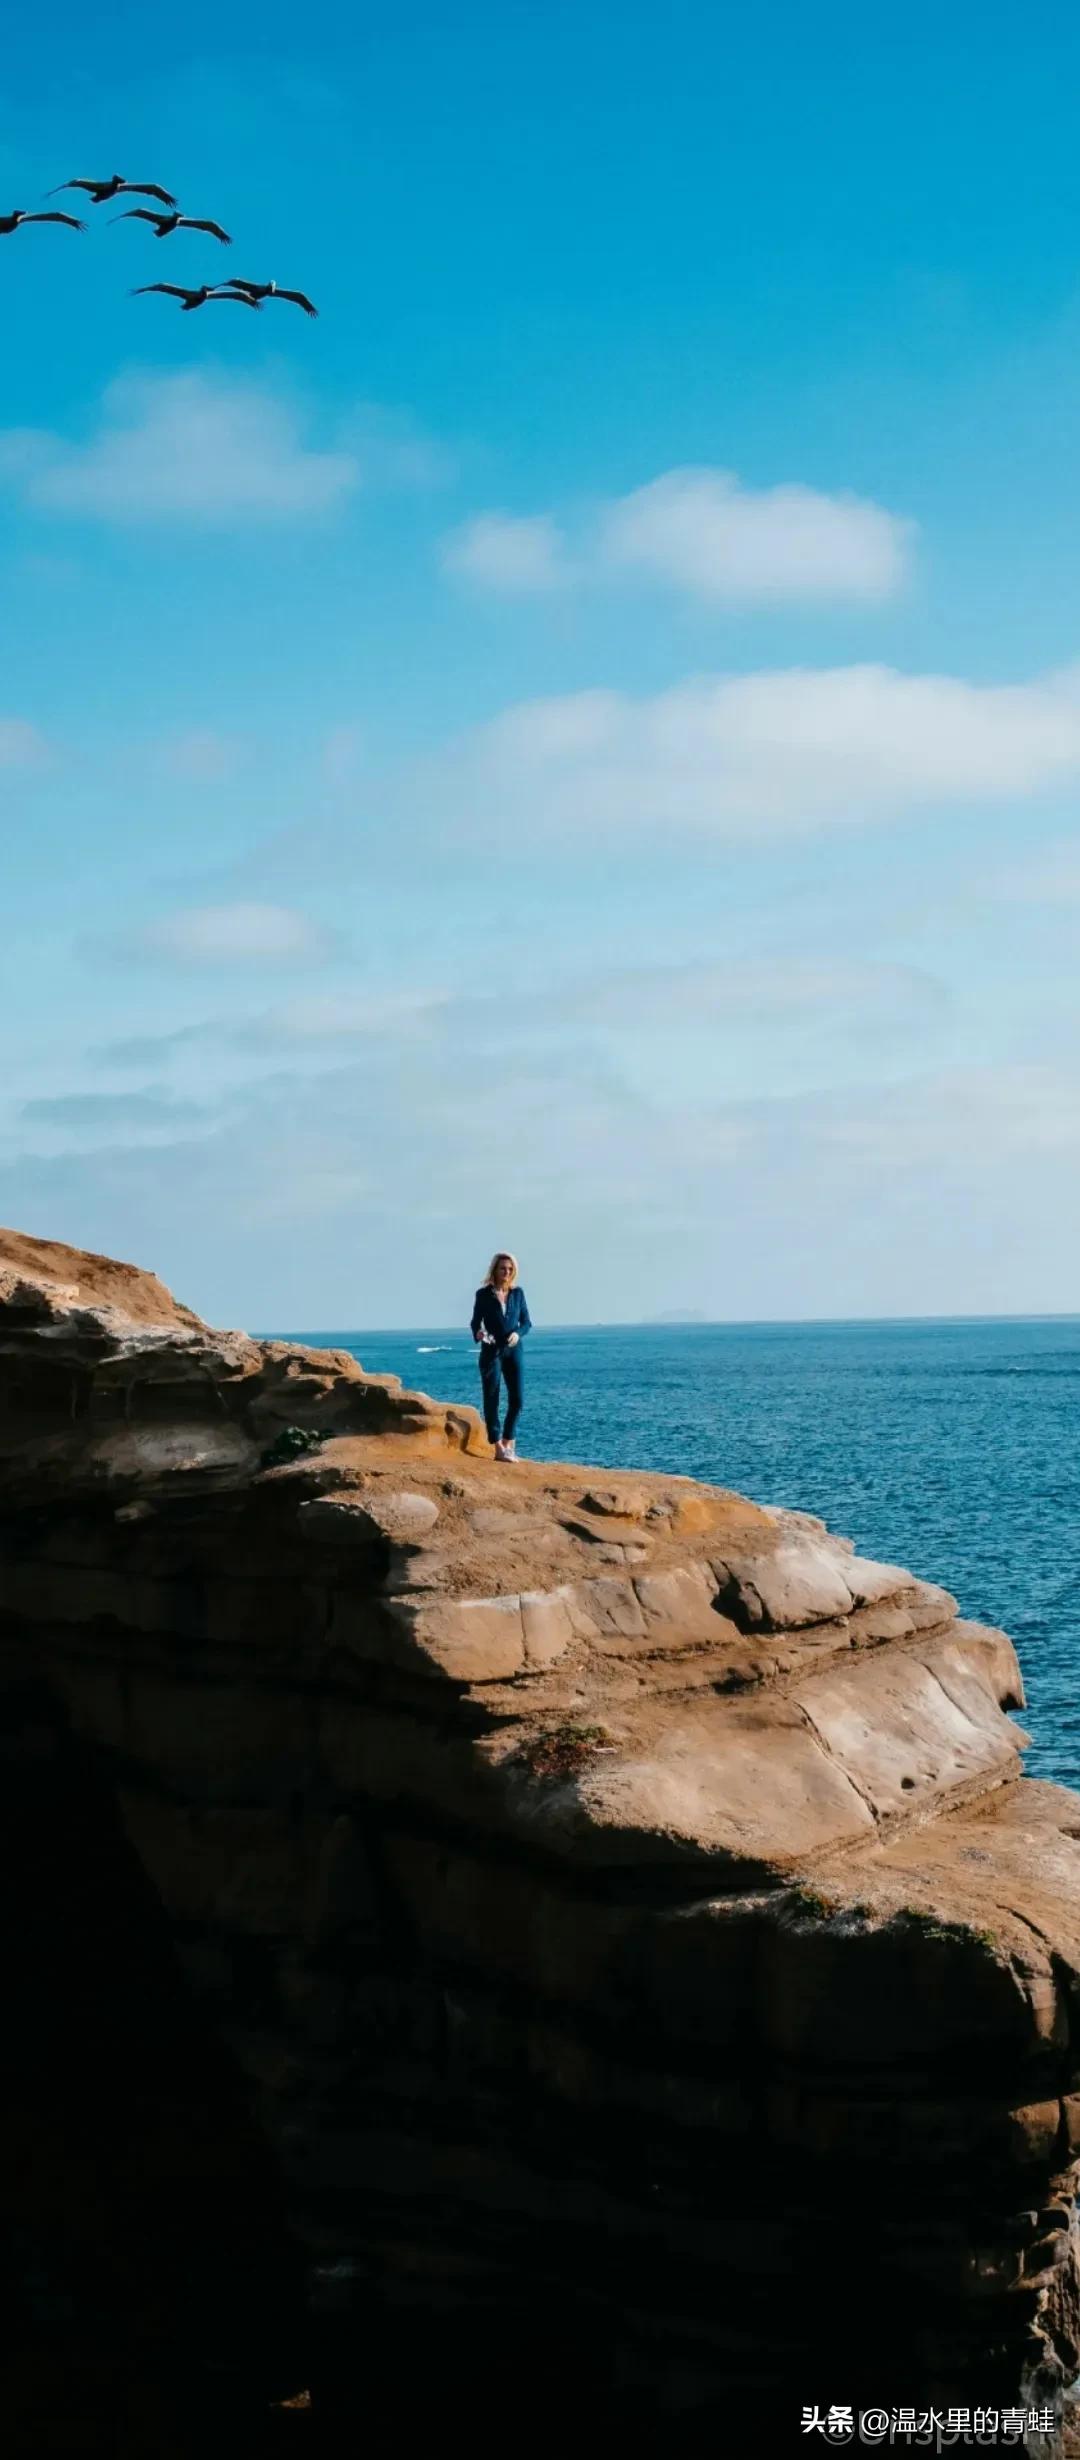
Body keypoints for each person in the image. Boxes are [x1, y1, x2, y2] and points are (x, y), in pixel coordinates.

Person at [470, 1251, 532, 1460]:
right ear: (494, 1270)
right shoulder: (483, 1294)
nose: (506, 1272)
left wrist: (518, 1333)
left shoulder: (518, 1294)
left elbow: (526, 1322)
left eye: (510, 1269)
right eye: (503, 1268)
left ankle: (507, 1443)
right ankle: (498, 1447)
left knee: (518, 1399)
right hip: (491, 1351)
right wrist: (478, 1333)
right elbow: (475, 1322)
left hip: (514, 1350)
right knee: (492, 1398)